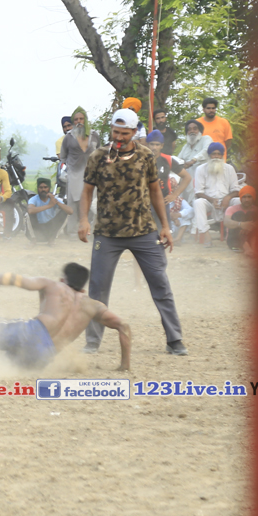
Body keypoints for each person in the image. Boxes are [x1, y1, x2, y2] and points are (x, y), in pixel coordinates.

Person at [78, 108, 185, 356]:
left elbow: (155, 191)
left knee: (160, 284)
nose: (119, 137)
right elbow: (87, 191)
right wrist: (83, 220)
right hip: (107, 232)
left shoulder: (146, 156)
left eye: (124, 133)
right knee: (98, 288)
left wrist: (165, 226)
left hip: (143, 230)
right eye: (115, 132)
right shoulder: (97, 156)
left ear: (135, 132)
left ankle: (175, 339)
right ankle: (92, 341)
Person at [0, 263, 132, 371]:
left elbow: (13, 279)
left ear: (63, 280)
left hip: (33, 331)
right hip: (43, 355)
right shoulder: (93, 306)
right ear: (83, 289)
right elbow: (123, 326)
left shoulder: (54, 285)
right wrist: (125, 365)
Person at [191, 142, 239, 245]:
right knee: (198, 203)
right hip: (208, 201)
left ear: (222, 156)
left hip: (226, 202)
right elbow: (198, 192)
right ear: (209, 155)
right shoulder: (200, 169)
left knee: (238, 201)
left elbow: (236, 190)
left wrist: (227, 198)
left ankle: (235, 235)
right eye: (213, 154)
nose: (216, 156)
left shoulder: (229, 169)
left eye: (219, 154)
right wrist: (212, 200)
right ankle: (206, 235)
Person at [60, 106, 92, 234]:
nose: (79, 121)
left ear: (85, 120)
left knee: (92, 203)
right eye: (76, 119)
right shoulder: (68, 138)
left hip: (91, 176)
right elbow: (63, 157)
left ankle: (91, 230)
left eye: (81, 119)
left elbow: (99, 154)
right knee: (74, 204)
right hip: (74, 175)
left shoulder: (94, 136)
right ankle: (72, 232)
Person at [146, 129, 191, 207]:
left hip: (163, 201)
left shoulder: (167, 159)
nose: (154, 147)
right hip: (144, 202)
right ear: (147, 145)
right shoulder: (140, 159)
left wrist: (174, 195)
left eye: (157, 145)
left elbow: (187, 177)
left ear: (162, 146)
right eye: (152, 144)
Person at [26, 177, 72, 246]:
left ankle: (52, 239)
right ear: (38, 188)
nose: (43, 189)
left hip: (49, 230)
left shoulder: (53, 199)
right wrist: (49, 206)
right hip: (36, 229)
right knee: (27, 214)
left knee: (65, 212)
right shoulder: (34, 199)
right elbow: (30, 210)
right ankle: (33, 240)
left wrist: (56, 202)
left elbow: (70, 211)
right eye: (41, 187)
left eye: (45, 187)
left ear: (49, 188)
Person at [223, 184, 258, 254]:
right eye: (244, 197)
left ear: (253, 198)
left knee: (251, 214)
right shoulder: (232, 209)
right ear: (241, 198)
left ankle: (251, 246)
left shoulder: (257, 210)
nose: (247, 200)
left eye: (249, 197)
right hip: (235, 241)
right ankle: (246, 246)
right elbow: (226, 222)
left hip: (251, 239)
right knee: (239, 214)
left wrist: (250, 226)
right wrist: (241, 224)